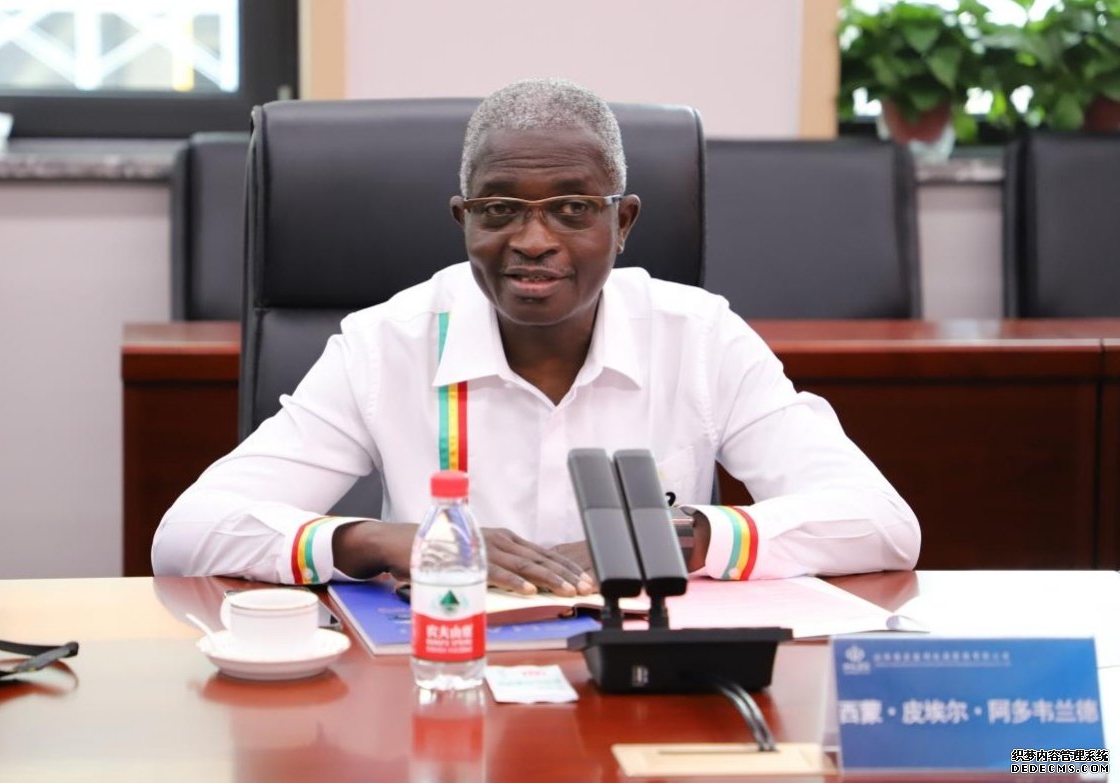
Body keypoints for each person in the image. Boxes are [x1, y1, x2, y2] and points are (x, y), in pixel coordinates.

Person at [152, 78, 919, 593]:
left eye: (573, 208)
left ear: (623, 222)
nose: (533, 239)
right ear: (463, 220)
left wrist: (675, 538)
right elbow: (187, 532)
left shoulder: (699, 337)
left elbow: (881, 523)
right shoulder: (384, 344)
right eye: (499, 209)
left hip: (638, 686)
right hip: (446, 675)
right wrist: (380, 542)